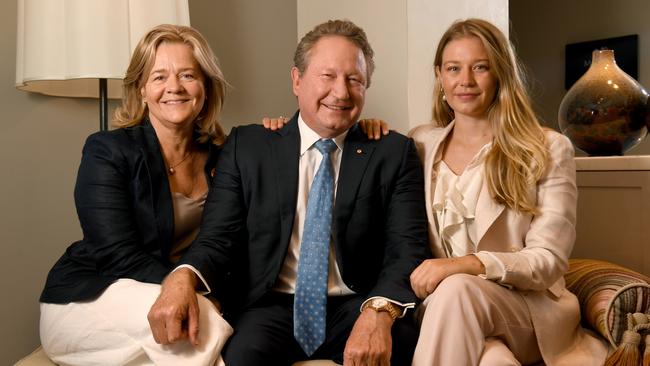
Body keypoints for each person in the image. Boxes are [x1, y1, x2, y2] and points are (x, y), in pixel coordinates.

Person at [147, 19, 430, 366]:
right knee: (240, 355)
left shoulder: (393, 153)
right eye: (327, 76)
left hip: (357, 302)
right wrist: (182, 277)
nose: (341, 92)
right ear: (297, 80)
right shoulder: (248, 146)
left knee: (400, 343)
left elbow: (407, 248)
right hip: (272, 305)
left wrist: (379, 311)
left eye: (354, 79)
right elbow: (218, 237)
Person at [405, 18, 608, 365]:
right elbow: (363, 149)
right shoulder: (419, 143)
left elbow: (548, 261)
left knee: (457, 288)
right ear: (440, 75)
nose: (465, 81)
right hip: (443, 312)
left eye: (480, 68)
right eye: (454, 68)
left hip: (526, 311)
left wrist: (467, 265)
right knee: (494, 361)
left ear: (499, 73)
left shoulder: (547, 148)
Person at [38, 24, 234, 366]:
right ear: (141, 89)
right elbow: (115, 253)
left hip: (161, 302)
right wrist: (192, 286)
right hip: (88, 301)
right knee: (201, 319)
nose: (174, 87)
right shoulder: (107, 151)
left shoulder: (224, 156)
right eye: (159, 77)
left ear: (205, 87)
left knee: (184, 340)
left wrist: (358, 130)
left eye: (188, 74)